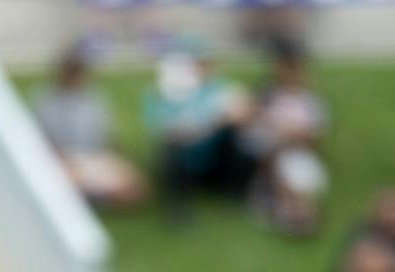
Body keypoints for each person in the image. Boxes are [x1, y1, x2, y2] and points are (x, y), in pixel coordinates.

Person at [141, 39, 256, 221]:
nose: (202, 68)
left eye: (205, 63)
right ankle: (177, 207)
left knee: (238, 138)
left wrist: (228, 117)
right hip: (183, 161)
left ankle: (235, 189)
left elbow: (240, 112)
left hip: (213, 159)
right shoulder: (160, 93)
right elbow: (162, 130)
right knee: (170, 150)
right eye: (196, 63)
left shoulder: (221, 88)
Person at [32, 44, 149, 210]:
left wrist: (117, 157)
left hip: (94, 156)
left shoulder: (94, 98)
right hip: (63, 159)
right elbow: (41, 140)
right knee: (67, 180)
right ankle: (90, 195)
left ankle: (95, 195)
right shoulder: (44, 100)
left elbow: (105, 135)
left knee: (136, 190)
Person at [241, 43, 329, 237]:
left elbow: (316, 135)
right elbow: (250, 130)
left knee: (293, 170)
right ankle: (286, 205)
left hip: (294, 153)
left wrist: (299, 136)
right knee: (284, 164)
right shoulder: (264, 97)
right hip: (271, 151)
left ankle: (292, 212)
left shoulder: (310, 101)